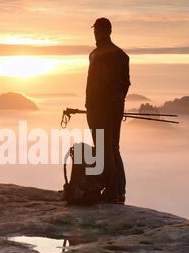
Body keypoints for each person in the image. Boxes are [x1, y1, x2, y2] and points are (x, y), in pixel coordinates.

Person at [85, 17, 130, 204]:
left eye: (97, 31)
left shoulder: (96, 55)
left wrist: (92, 105)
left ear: (103, 32)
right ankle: (119, 191)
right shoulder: (122, 55)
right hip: (115, 108)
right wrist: (117, 102)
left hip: (99, 109)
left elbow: (94, 85)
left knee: (104, 148)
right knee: (113, 147)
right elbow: (125, 84)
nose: (95, 34)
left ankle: (111, 192)